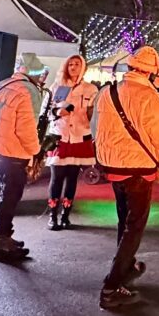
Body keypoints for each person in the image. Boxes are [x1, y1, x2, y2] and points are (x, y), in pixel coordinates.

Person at [92, 46, 159, 308]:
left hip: (113, 167)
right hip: (138, 168)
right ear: (152, 73)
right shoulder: (150, 97)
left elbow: (96, 127)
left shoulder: (108, 92)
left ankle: (126, 266)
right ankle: (112, 286)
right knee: (134, 226)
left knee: (124, 220)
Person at [0, 53, 47, 262]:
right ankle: (2, 242)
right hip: (13, 152)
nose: (42, 78)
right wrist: (36, 151)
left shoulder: (4, 84)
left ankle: (4, 238)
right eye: (39, 74)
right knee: (10, 196)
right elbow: (26, 127)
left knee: (7, 193)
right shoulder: (27, 90)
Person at [45, 54, 97, 231]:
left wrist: (91, 115)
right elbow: (45, 111)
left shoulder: (91, 89)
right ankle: (52, 216)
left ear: (83, 68)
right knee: (56, 177)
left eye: (77, 64)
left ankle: (66, 215)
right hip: (60, 135)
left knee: (72, 178)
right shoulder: (57, 86)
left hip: (79, 136)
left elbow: (95, 115)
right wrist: (57, 113)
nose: (73, 67)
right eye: (71, 64)